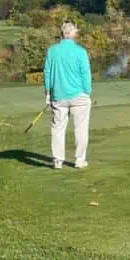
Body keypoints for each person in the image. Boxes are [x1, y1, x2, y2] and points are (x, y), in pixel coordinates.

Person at [43, 21, 93, 169]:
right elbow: (85, 74)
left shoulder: (52, 51)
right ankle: (79, 160)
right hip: (79, 95)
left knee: (58, 128)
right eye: (76, 32)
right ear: (72, 34)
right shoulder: (80, 51)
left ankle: (58, 161)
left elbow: (47, 73)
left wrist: (48, 92)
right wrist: (87, 91)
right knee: (81, 129)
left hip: (58, 96)